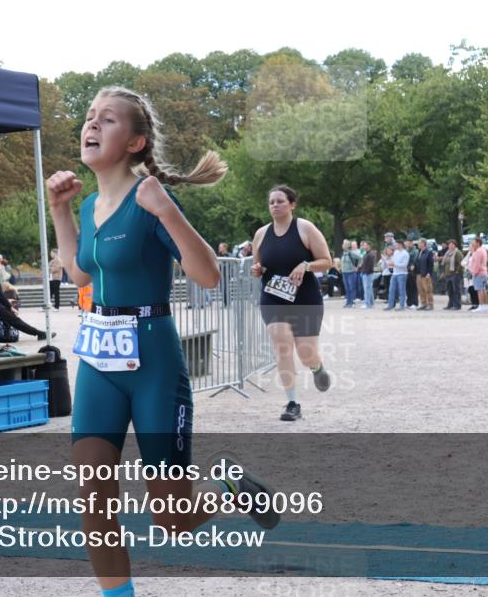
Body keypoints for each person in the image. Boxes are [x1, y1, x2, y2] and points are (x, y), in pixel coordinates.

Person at [48, 86, 277, 597]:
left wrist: (167, 211)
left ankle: (227, 491)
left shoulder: (150, 197)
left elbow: (210, 275)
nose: (91, 126)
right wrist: (59, 210)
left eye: (106, 120)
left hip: (152, 360)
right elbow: (81, 277)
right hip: (99, 361)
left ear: (134, 142)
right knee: (93, 496)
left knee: (172, 517)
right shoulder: (88, 205)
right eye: (89, 118)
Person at [250, 185, 332, 420]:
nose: (275, 205)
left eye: (280, 201)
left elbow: (327, 261)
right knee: (282, 345)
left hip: (305, 297)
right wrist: (257, 270)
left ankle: (317, 367)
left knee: (306, 353)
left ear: (292, 204)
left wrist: (306, 265)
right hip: (273, 297)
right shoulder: (261, 234)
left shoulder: (305, 228)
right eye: (271, 202)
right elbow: (261, 266)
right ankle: (292, 403)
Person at [0, 259, 43, 336]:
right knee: (13, 319)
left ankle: (36, 333)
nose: (0, 268)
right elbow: (1, 295)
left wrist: (7, 305)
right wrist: (10, 307)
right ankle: (38, 333)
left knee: (9, 316)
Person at [385, 240, 409, 311]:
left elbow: (404, 265)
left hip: (402, 273)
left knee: (401, 290)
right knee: (391, 289)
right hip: (395, 273)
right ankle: (390, 305)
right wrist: (391, 264)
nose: (395, 246)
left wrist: (394, 264)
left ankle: (402, 305)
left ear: (400, 245)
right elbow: (394, 261)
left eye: (396, 245)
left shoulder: (405, 253)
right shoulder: (395, 252)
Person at [442, 240, 464, 310]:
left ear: (455, 245)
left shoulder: (457, 252)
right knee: (449, 290)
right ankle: (450, 304)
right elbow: (445, 263)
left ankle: (457, 305)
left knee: (456, 290)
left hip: (455, 274)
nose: (450, 246)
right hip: (448, 274)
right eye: (449, 244)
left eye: (452, 244)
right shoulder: (447, 253)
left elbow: (461, 263)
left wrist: (457, 271)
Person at [340, 240, 362, 308]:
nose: (342, 245)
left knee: (351, 288)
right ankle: (348, 302)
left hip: (351, 272)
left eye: (343, 244)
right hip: (344, 273)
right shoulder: (343, 253)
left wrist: (357, 267)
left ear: (347, 246)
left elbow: (360, 258)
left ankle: (352, 302)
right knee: (347, 288)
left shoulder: (351, 253)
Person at [415, 238, 435, 311]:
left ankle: (430, 304)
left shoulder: (429, 252)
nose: (418, 244)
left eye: (419, 243)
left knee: (428, 290)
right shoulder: (419, 252)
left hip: (426, 274)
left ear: (423, 244)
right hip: (419, 274)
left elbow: (431, 264)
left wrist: (429, 273)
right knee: (421, 290)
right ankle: (423, 304)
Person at [404, 239, 419, 309]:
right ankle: (409, 303)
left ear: (411, 243)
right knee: (408, 288)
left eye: (409, 243)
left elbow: (415, 260)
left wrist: (412, 266)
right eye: (407, 243)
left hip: (412, 271)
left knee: (413, 288)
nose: (407, 244)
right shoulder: (406, 250)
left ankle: (415, 303)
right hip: (406, 270)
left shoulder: (415, 251)